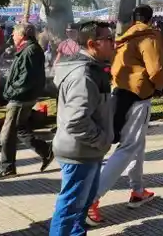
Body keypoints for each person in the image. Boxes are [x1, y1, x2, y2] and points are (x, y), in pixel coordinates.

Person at [87, 5, 163, 226]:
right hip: (139, 96)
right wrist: (162, 86)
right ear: (151, 19)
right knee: (128, 148)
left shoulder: (124, 37)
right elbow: (155, 70)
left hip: (121, 92)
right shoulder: (149, 37)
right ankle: (92, 198)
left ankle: (137, 190)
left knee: (137, 144)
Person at [49, 21, 115, 236]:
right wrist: (102, 140)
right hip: (79, 151)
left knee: (81, 206)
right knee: (70, 208)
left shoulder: (92, 70)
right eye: (109, 39)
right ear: (92, 44)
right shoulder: (83, 75)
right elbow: (76, 121)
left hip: (87, 150)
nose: (114, 43)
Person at [0, 23, 53, 179]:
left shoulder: (30, 50)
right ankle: (46, 151)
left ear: (23, 35)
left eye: (14, 33)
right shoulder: (29, 49)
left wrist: (10, 92)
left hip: (20, 98)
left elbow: (26, 79)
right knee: (20, 129)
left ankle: (7, 167)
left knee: (7, 133)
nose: (12, 36)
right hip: (23, 96)